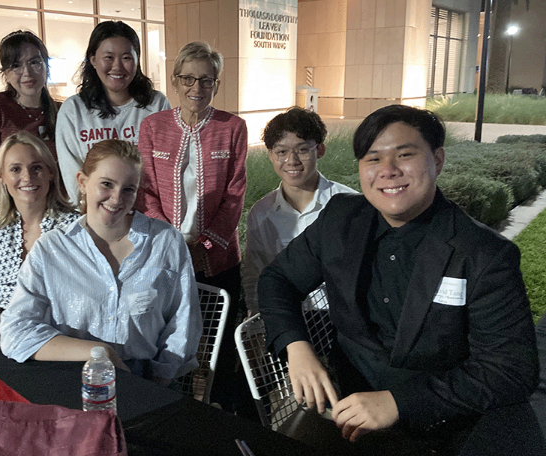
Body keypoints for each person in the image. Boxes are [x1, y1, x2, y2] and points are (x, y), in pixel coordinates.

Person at [258, 105, 542, 454]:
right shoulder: (341, 219)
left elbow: (510, 369)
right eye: (373, 159)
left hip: (446, 426)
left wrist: (400, 403)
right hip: (351, 415)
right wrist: (297, 347)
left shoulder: (482, 253)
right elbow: (277, 279)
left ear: (436, 160)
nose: (388, 171)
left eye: (404, 155)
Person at [0, 139, 202, 385]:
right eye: (106, 184)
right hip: (72, 382)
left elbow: (183, 323)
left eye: (128, 189)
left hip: (147, 384)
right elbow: (15, 331)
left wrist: (155, 387)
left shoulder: (165, 242)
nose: (116, 199)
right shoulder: (51, 249)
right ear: (83, 183)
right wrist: (99, 352)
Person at [137, 41, 247, 409]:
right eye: (188, 79)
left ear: (216, 84)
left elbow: (234, 195)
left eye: (206, 80)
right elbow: (147, 191)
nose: (196, 89)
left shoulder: (233, 127)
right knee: (169, 339)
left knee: (220, 340)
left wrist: (205, 247)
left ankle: (217, 408)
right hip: (165, 254)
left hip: (217, 258)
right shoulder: (152, 127)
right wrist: (172, 244)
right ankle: (173, 406)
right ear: (175, 80)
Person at [243, 107, 356, 315]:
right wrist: (259, 325)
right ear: (270, 155)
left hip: (341, 321)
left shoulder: (349, 205)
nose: (292, 160)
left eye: (303, 150)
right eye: (282, 152)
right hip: (289, 320)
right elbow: (255, 274)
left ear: (319, 150)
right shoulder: (261, 213)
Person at [0, 131, 77, 314]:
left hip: (57, 326)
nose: (27, 178)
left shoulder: (73, 227)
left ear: (51, 173)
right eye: (15, 169)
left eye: (36, 168)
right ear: (1, 176)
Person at [56, 21, 170, 204]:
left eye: (126, 57)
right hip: (95, 219)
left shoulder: (157, 104)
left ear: (137, 60)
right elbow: (74, 179)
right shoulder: (73, 110)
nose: (117, 66)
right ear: (93, 59)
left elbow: (165, 170)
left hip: (147, 214)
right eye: (108, 57)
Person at [0, 30, 60, 204]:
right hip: (3, 211)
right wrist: (3, 213)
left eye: (34, 62)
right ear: (5, 74)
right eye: (16, 66)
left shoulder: (61, 111)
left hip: (51, 210)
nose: (27, 72)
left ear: (46, 66)